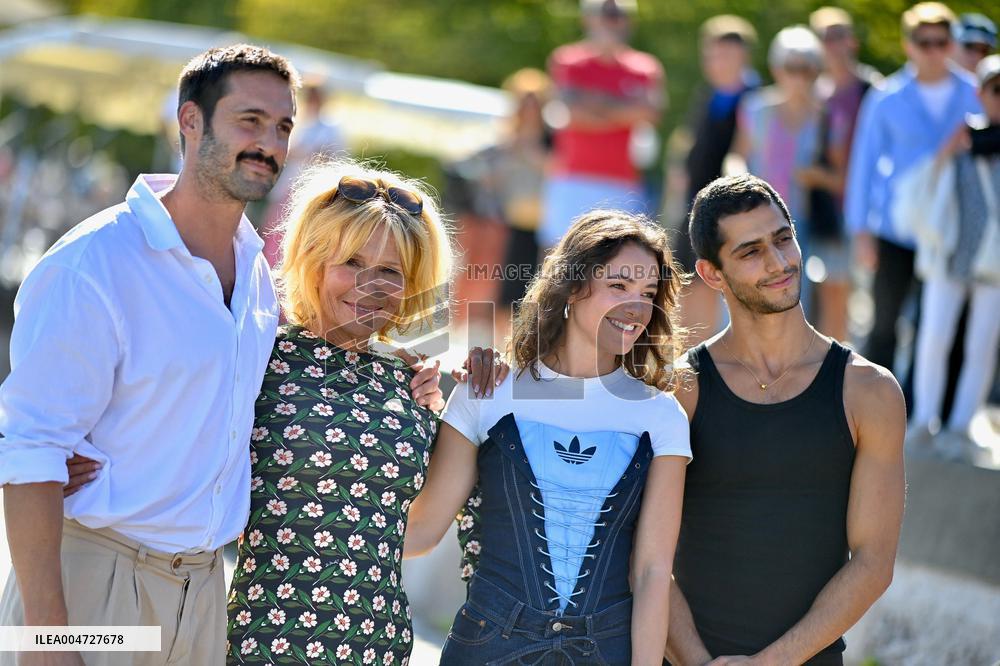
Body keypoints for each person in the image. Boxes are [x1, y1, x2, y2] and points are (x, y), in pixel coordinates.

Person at [0, 44, 300, 666]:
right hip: (97, 586)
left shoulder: (257, 273)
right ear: (190, 122)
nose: (268, 142)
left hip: (204, 595)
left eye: (282, 126)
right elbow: (29, 449)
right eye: (250, 120)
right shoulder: (95, 263)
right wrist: (48, 641)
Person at [406, 210, 692, 664]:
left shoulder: (661, 418)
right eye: (618, 286)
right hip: (487, 648)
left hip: (604, 651)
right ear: (573, 287)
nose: (636, 308)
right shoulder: (486, 391)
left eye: (648, 293)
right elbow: (420, 531)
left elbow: (653, 571)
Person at [663, 174, 905, 666]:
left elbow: (874, 563)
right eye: (750, 252)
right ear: (712, 274)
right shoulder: (678, 389)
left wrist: (768, 664)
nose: (778, 263)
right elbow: (641, 555)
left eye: (782, 239)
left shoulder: (869, 391)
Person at [224, 160, 456, 665]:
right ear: (313, 262)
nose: (370, 286)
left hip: (380, 646)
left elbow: (413, 529)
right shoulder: (260, 358)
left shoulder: (415, 384)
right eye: (351, 262)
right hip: (265, 640)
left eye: (391, 272)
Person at [845, 2, 981, 393]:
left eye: (942, 41)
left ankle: (932, 413)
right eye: (924, 41)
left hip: (955, 226)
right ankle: (873, 404)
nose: (933, 50)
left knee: (945, 325)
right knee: (885, 322)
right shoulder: (887, 97)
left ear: (952, 43)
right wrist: (861, 231)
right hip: (895, 229)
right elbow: (864, 166)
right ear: (909, 44)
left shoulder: (976, 92)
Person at [906, 55, 1000, 460]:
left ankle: (963, 424)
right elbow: (924, 185)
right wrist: (949, 148)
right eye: (995, 89)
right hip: (950, 254)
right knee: (933, 339)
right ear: (980, 93)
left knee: (982, 346)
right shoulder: (961, 137)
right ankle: (924, 420)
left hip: (994, 263)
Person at [538, 0, 665, 250]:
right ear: (588, 19)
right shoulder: (568, 60)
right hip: (572, 178)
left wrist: (594, 105)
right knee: (556, 260)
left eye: (618, 15)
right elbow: (571, 113)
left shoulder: (645, 67)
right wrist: (623, 111)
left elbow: (651, 112)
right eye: (605, 15)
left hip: (623, 183)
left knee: (616, 262)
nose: (611, 22)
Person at [798, 8, 882, 341]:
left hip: (867, 211)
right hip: (826, 212)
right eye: (824, 37)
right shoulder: (814, 93)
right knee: (831, 291)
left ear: (853, 41)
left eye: (838, 35)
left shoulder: (872, 89)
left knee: (866, 300)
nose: (832, 44)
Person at [675, 14, 759, 345]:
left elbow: (741, 156)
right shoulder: (708, 95)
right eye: (711, 55)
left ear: (743, 55)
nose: (716, 62)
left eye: (725, 54)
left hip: (729, 211)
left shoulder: (755, 99)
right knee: (688, 284)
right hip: (693, 207)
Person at [735, 26, 823, 313]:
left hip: (800, 221)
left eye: (805, 68)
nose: (797, 76)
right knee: (748, 292)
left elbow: (840, 174)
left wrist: (814, 175)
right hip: (753, 215)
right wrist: (735, 188)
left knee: (795, 299)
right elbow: (737, 156)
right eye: (790, 67)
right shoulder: (756, 108)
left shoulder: (823, 116)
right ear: (776, 68)